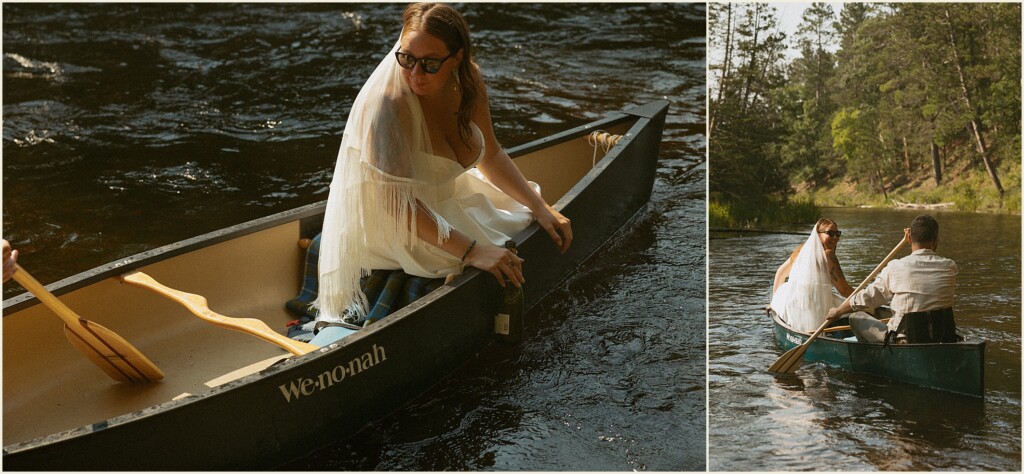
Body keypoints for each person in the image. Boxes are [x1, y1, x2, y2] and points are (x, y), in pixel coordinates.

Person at [314, 3, 573, 325]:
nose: (415, 75)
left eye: (430, 64)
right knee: (496, 248)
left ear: (457, 59)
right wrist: (472, 251)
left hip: (448, 199)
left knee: (526, 222)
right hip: (401, 224)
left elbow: (490, 154)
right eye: (406, 58)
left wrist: (541, 206)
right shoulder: (388, 107)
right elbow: (395, 203)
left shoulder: (469, 82)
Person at [826, 215, 959, 344]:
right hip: (943, 336)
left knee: (856, 317)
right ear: (935, 240)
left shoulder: (896, 266)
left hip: (905, 340)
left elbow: (870, 297)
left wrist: (838, 311)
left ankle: (873, 357)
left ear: (910, 239)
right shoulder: (950, 266)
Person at [769, 218, 854, 332]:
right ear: (818, 235)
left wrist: (774, 302)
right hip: (813, 306)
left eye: (837, 234)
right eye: (830, 233)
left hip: (793, 306)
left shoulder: (802, 250)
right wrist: (864, 299)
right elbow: (843, 289)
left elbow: (781, 272)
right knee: (853, 310)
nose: (835, 238)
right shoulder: (828, 255)